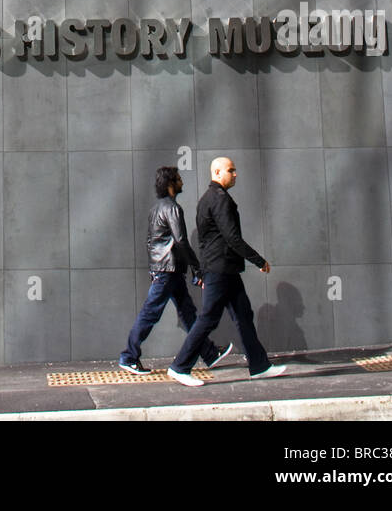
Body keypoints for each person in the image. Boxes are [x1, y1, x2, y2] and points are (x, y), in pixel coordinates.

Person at [166, 156, 285, 385]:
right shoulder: (219, 199)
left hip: (224, 269)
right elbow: (232, 238)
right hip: (220, 270)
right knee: (209, 318)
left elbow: (208, 240)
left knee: (243, 316)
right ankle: (180, 367)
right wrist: (259, 260)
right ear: (218, 173)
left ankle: (259, 365)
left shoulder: (206, 200)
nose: (235, 174)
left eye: (235, 170)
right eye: (231, 170)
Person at [119, 165, 233, 374]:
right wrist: (197, 269)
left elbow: (151, 242)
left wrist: (154, 268)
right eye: (179, 179)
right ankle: (129, 356)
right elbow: (180, 241)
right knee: (150, 313)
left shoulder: (156, 208)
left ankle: (208, 352)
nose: (182, 182)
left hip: (166, 270)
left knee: (188, 313)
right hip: (168, 270)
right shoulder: (172, 208)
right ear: (171, 184)